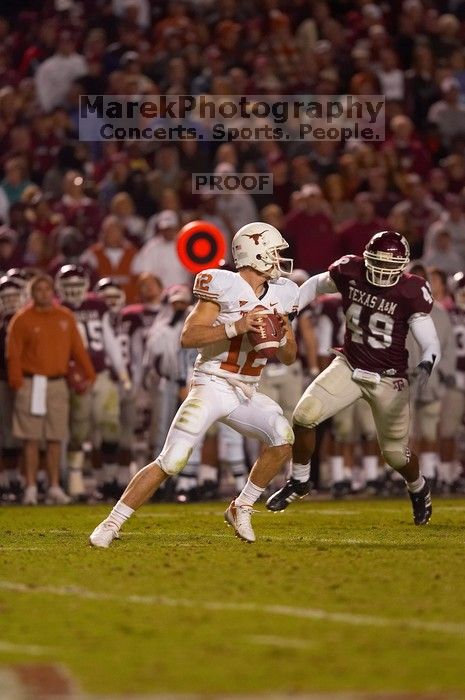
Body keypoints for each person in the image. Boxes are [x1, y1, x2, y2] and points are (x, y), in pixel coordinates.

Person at [89, 221, 299, 547]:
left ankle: (241, 506)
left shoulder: (285, 293)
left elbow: (288, 357)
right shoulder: (223, 284)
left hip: (247, 390)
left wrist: (284, 334)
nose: (279, 259)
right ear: (255, 254)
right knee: (172, 459)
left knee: (283, 440)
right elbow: (189, 337)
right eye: (274, 252)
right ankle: (111, 523)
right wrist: (237, 326)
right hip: (212, 383)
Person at [267, 230, 441, 526]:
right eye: (378, 263)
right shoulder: (350, 269)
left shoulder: (411, 291)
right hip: (349, 365)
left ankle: (418, 488)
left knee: (396, 455)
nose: (383, 271)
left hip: (389, 378)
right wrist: (292, 310)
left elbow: (430, 340)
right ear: (367, 257)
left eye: (390, 266)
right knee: (304, 416)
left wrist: (427, 362)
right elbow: (314, 284)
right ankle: (299, 481)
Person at [6, 273, 96, 505]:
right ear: (32, 293)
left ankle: (54, 486)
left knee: (56, 437)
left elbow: (78, 348)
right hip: (31, 382)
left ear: (53, 291)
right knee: (31, 439)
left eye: (47, 289)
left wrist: (89, 374)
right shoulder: (22, 319)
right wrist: (16, 381)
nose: (44, 293)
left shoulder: (64, 316)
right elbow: (13, 354)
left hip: (57, 383)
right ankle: (31, 488)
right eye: (39, 289)